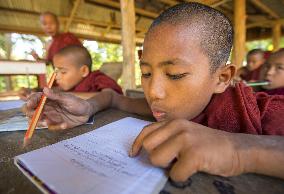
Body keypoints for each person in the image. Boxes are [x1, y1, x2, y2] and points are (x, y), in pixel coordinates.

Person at [25, 3, 284, 181]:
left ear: (222, 78)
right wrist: (89, 108)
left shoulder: (265, 111)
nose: (154, 92)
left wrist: (238, 149)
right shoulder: (166, 104)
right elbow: (115, 97)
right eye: (146, 73)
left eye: (175, 75)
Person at [18, 12, 82, 100]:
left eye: (52, 23)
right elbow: (49, 62)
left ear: (58, 24)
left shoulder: (68, 37)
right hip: (59, 79)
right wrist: (37, 58)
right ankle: (35, 92)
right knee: (43, 93)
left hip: (72, 79)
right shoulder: (49, 45)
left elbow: (81, 57)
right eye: (45, 24)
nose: (48, 26)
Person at [52, 45, 123, 98]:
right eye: (56, 72)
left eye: (63, 72)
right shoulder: (71, 84)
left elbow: (110, 96)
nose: (57, 77)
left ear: (84, 71)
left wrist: (67, 96)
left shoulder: (97, 79)